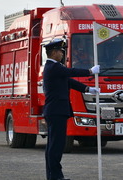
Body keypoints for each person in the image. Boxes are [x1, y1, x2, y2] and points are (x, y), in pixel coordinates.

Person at [42, 38, 100, 180]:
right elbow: (71, 72)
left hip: (55, 111)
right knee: (56, 145)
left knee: (53, 145)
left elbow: (69, 81)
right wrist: (89, 71)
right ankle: (55, 176)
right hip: (56, 111)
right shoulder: (54, 67)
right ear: (54, 52)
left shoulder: (54, 68)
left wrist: (87, 89)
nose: (62, 54)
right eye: (61, 52)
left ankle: (52, 176)